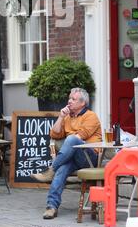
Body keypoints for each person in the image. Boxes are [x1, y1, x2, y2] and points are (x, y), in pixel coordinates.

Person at [31, 87, 102, 220]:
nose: (69, 101)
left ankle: (51, 169)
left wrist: (69, 140)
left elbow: (81, 136)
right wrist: (61, 117)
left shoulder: (91, 116)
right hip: (73, 157)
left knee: (72, 138)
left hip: (89, 158)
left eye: (73, 99)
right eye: (69, 98)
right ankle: (51, 207)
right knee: (62, 169)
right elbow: (54, 134)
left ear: (83, 103)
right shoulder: (67, 117)